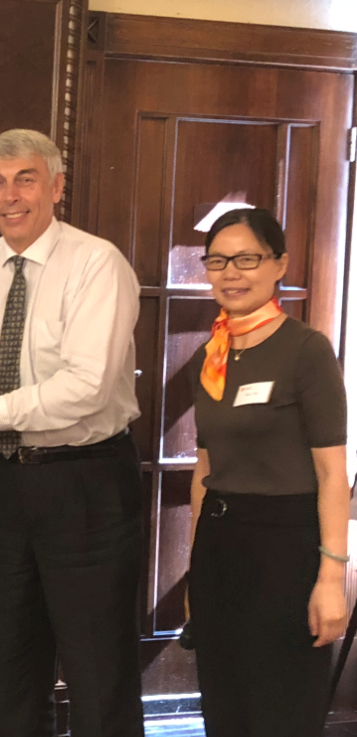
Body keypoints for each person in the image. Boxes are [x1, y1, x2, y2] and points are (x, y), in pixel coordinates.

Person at [0, 129, 145, 737]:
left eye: (26, 179)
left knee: (99, 671)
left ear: (57, 186)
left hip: (85, 481)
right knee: (13, 669)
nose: (10, 195)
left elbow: (86, 387)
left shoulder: (97, 263)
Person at [187, 208, 349, 737]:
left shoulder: (306, 350)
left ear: (278, 265)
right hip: (220, 542)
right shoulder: (209, 357)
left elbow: (332, 474)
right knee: (223, 703)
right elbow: (205, 467)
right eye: (217, 261)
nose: (230, 273)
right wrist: (194, 568)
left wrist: (331, 579)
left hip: (287, 547)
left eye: (246, 259)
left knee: (282, 706)